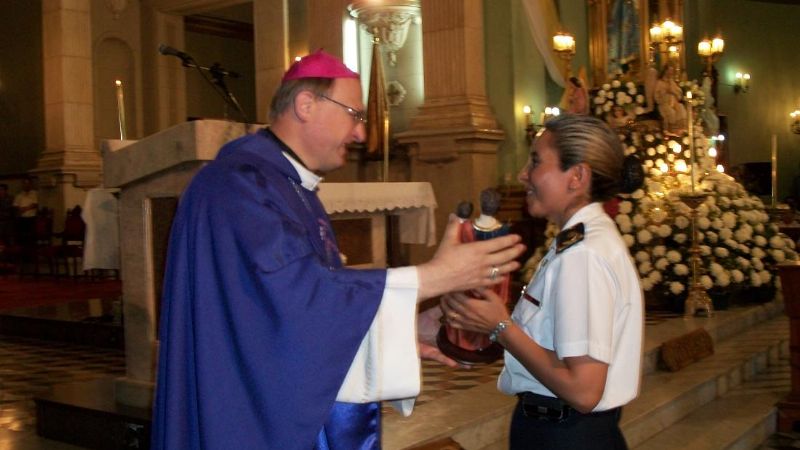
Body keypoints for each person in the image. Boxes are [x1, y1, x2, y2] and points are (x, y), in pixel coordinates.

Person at [150, 49, 525, 450]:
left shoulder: (289, 186)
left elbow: (298, 313)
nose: (361, 134)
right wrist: (434, 276)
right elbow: (293, 296)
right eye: (354, 115)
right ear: (306, 104)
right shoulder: (238, 185)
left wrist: (401, 326)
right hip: (243, 415)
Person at [442, 114, 644, 449]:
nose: (523, 174)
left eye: (536, 161)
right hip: (557, 429)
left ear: (577, 176)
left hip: (567, 435)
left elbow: (583, 390)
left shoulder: (584, 255)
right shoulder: (577, 242)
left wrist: (500, 327)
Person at [654, 63, 687, 134]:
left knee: (681, 109)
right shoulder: (660, 82)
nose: (670, 73)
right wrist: (665, 92)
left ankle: (681, 132)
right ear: (665, 71)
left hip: (674, 103)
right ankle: (671, 132)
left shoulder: (672, 82)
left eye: (672, 71)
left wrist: (674, 92)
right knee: (672, 113)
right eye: (669, 70)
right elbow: (656, 97)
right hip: (664, 104)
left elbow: (678, 93)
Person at [13, 177, 38, 249]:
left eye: (27, 183)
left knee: (31, 237)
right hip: (21, 218)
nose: (26, 185)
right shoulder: (19, 195)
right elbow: (15, 205)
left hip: (31, 218)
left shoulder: (35, 193)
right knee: (21, 237)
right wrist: (19, 209)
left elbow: (35, 204)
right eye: (24, 183)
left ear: (31, 184)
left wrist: (25, 208)